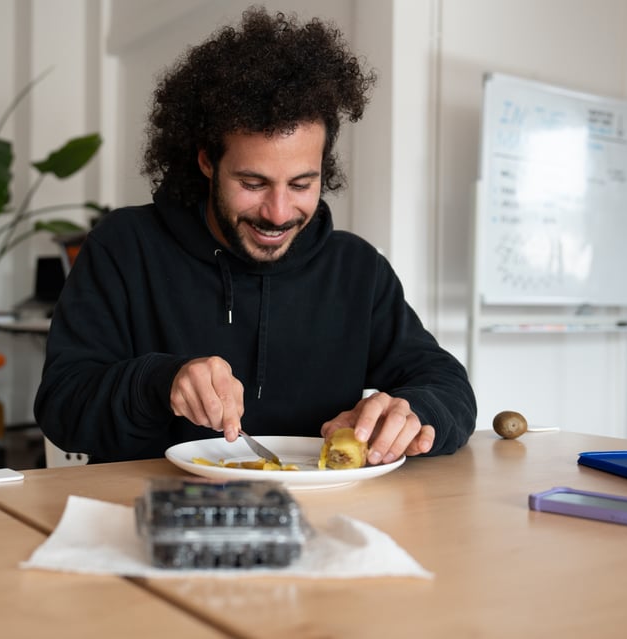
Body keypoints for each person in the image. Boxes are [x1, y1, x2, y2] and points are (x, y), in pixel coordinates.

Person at [35, 7, 476, 464]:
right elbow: (62, 406)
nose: (279, 213)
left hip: (324, 517)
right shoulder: (125, 247)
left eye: (302, 184)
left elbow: (448, 386)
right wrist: (160, 383)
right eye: (253, 184)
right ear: (207, 162)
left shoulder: (357, 270)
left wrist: (412, 412)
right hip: (159, 515)